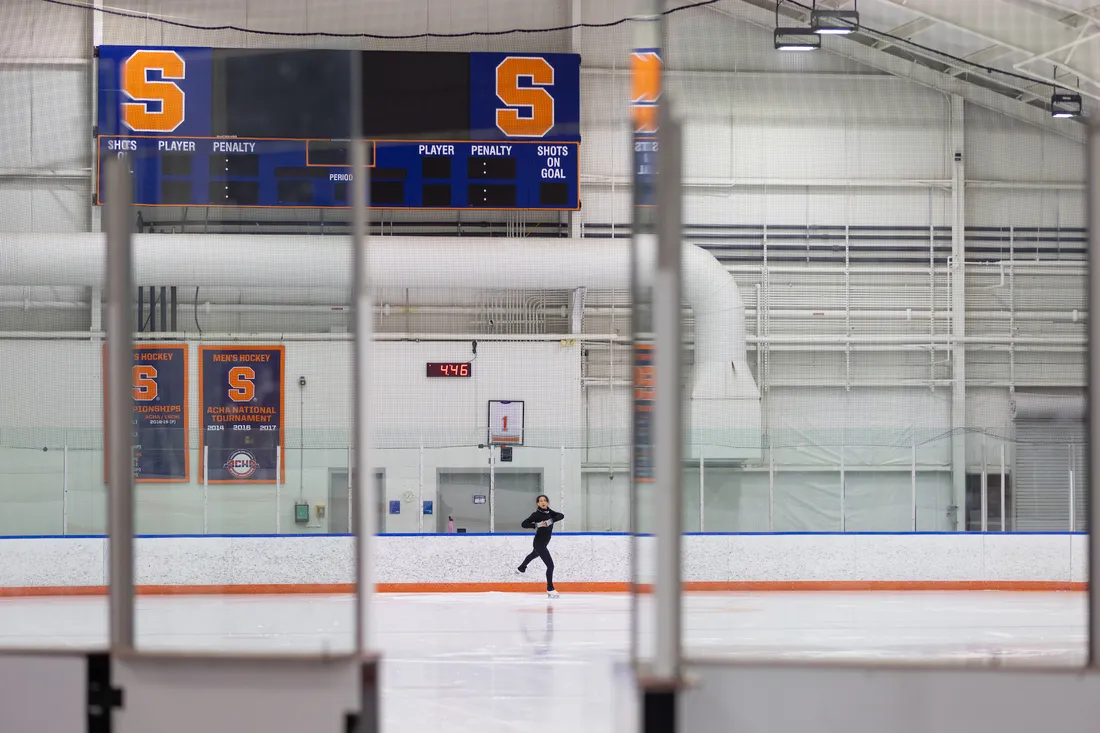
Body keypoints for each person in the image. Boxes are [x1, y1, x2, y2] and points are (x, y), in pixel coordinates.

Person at [517, 494, 565, 598]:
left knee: (533, 554)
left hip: (544, 543)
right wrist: (537, 525)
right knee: (550, 566)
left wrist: (550, 521)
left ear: (547, 502)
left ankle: (521, 568)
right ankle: (550, 589)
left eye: (544, 500)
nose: (543, 502)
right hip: (539, 543)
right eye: (540, 501)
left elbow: (561, 515)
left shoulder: (550, 513)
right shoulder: (536, 514)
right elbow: (524, 524)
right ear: (538, 503)